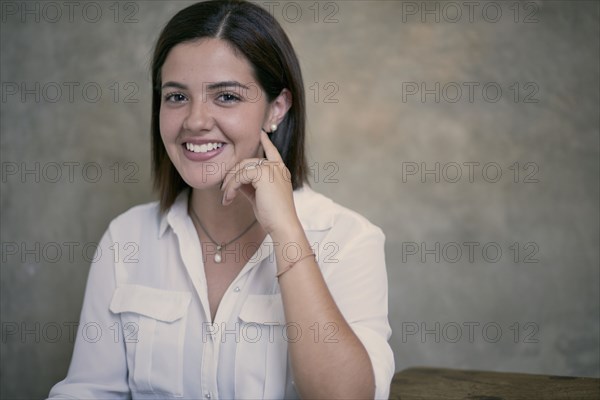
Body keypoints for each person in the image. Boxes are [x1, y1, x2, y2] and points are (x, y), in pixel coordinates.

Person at [48, 0, 394, 398]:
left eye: (226, 96)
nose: (195, 120)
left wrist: (286, 233)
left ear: (276, 108)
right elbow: (89, 391)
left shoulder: (349, 240)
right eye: (176, 97)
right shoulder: (125, 238)